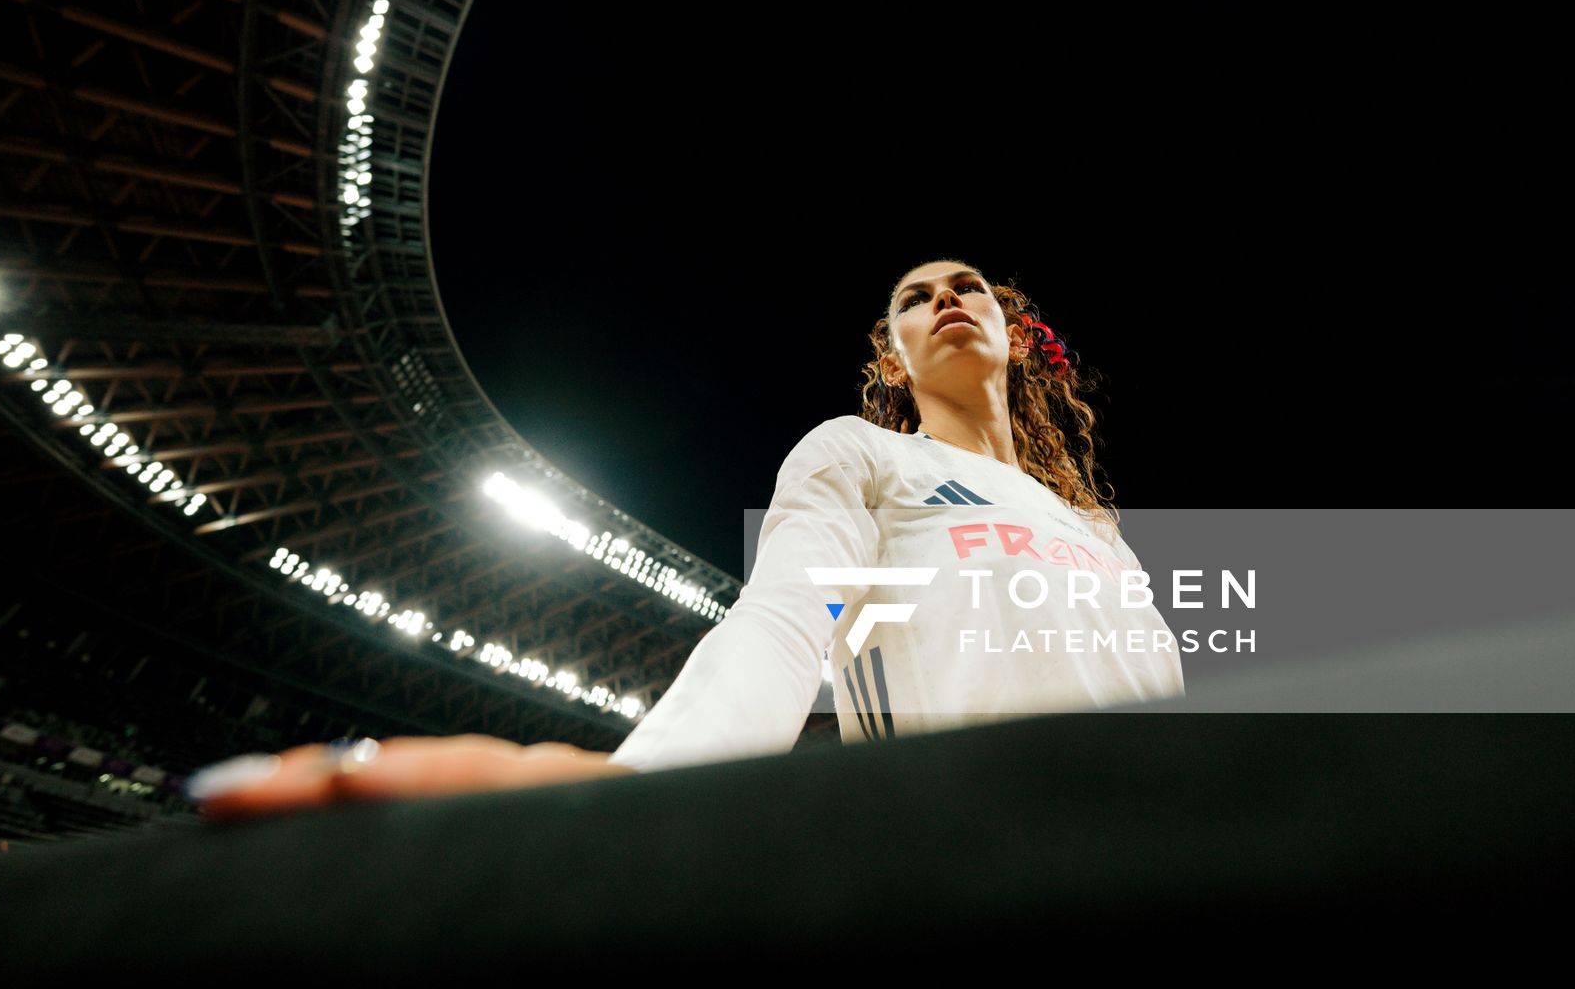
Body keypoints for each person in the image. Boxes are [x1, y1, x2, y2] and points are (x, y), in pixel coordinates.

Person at [188, 258, 1184, 820]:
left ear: (1012, 330)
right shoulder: (861, 459)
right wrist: (648, 794)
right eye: (916, 298)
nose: (946, 300)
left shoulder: (1095, 527)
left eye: (966, 284)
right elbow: (795, 616)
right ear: (894, 352)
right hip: (989, 856)